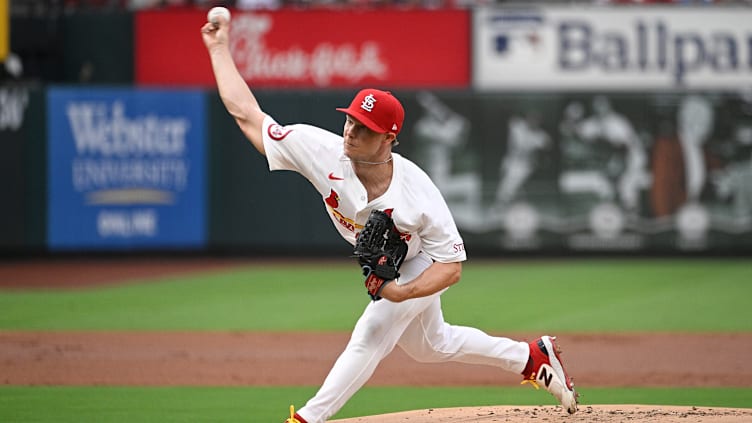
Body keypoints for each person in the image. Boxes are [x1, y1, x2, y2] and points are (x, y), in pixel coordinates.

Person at [201, 14, 578, 423]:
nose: (349, 132)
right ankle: (530, 356)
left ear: (388, 138)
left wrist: (404, 291)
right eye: (348, 120)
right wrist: (219, 49)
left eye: (362, 128)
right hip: (399, 263)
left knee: (372, 332)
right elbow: (248, 116)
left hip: (423, 260)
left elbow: (451, 268)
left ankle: (308, 418)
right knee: (432, 346)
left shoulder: (418, 193)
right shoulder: (320, 149)